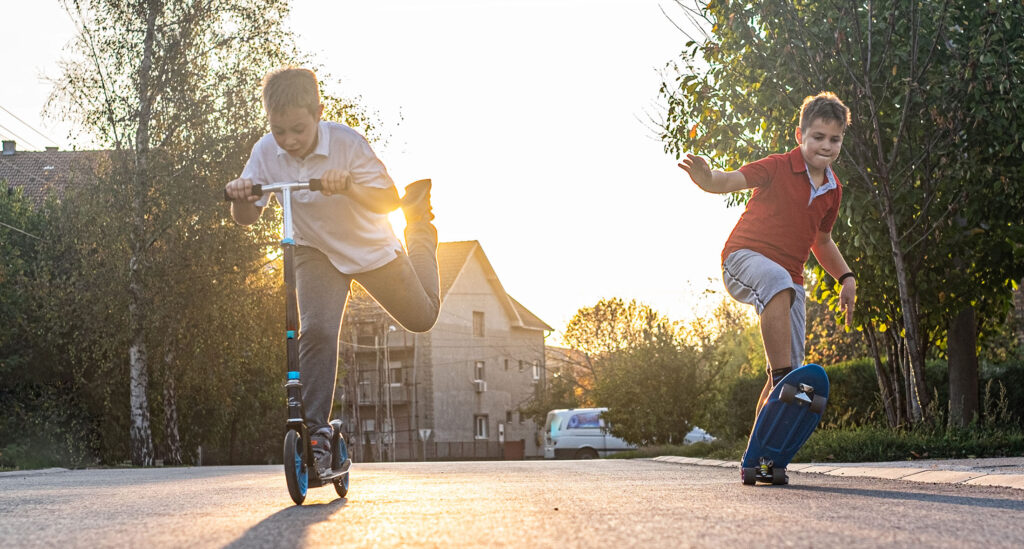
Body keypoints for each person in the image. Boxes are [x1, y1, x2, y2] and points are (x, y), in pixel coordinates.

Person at [225, 67, 440, 476]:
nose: (288, 140)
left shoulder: (346, 143)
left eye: (298, 130)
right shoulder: (265, 152)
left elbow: (386, 200)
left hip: (371, 250)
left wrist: (348, 187)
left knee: (422, 318)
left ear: (318, 112)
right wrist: (240, 196)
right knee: (318, 330)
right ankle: (318, 435)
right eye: (279, 130)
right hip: (315, 251)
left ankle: (421, 229)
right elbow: (249, 215)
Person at [678, 91, 857, 420]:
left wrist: (846, 277)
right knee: (786, 368)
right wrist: (707, 179)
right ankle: (782, 381)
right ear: (800, 135)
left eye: (835, 139)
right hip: (743, 259)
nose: (826, 146)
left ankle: (760, 455)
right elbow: (730, 179)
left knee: (793, 363)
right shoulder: (777, 166)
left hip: (790, 282)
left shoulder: (833, 189)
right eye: (818, 137)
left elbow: (823, 240)